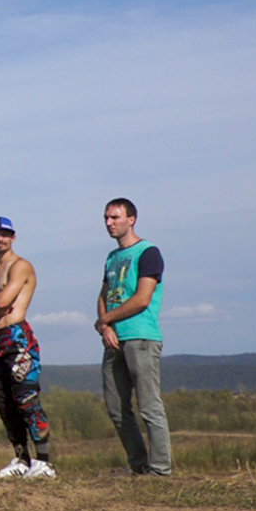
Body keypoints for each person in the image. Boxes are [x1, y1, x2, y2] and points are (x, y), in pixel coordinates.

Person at [0, 217, 53, 479]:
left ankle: (44, 461)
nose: (0, 239)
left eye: (5, 234)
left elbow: (5, 301)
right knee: (4, 402)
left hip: (17, 339)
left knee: (26, 398)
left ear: (13, 237)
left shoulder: (21, 266)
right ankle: (21, 457)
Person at [97, 197, 171, 476]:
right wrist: (105, 327)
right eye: (106, 218)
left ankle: (161, 469)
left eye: (115, 217)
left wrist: (106, 319)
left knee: (149, 406)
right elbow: (104, 295)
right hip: (113, 339)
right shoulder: (112, 257)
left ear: (131, 219)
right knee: (116, 408)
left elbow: (142, 299)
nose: (109, 223)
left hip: (141, 337)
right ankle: (138, 466)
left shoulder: (148, 252)